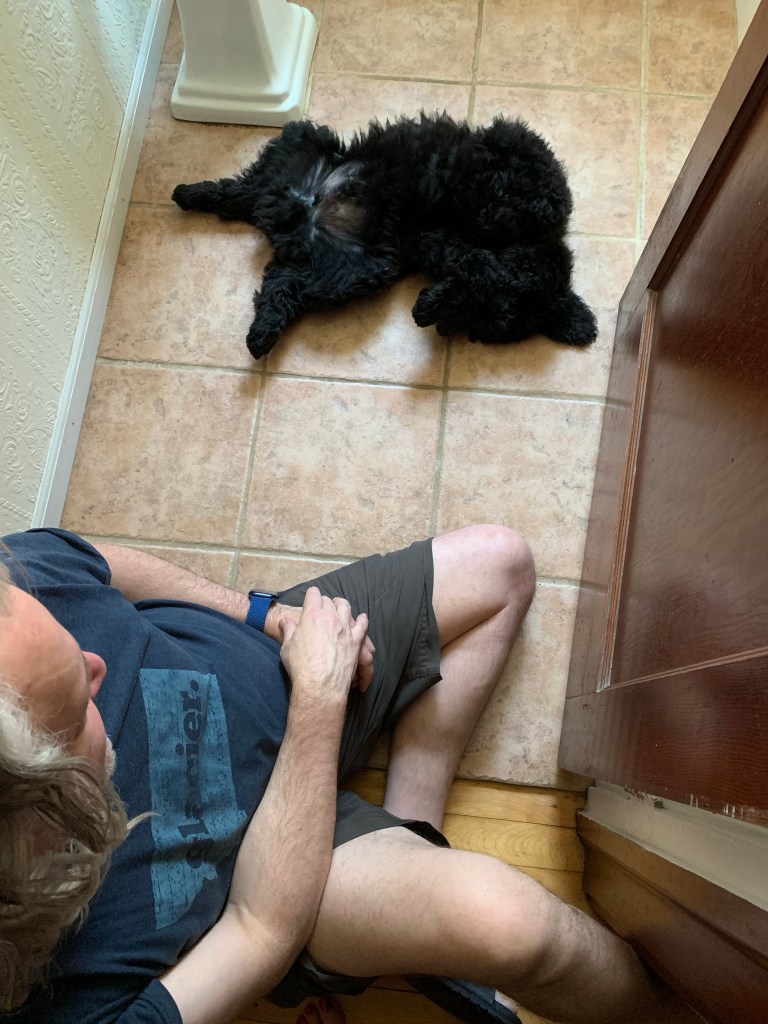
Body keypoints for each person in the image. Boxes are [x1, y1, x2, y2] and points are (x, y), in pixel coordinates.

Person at [0, 524, 685, 1024]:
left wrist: (263, 613)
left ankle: (416, 821)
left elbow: (98, 567)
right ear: (43, 813)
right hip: (278, 872)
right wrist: (319, 704)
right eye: (76, 704)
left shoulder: (14, 588)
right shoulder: (63, 1001)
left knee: (500, 565)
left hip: (290, 665)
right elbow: (258, 928)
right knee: (517, 929)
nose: (99, 666)